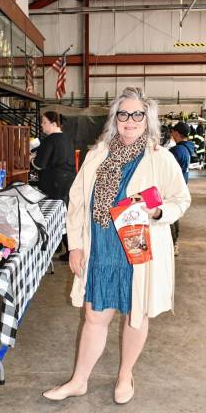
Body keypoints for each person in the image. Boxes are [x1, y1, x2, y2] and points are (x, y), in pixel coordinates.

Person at [42, 87, 191, 404]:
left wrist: (159, 211)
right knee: (95, 317)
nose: (130, 120)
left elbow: (181, 199)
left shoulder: (160, 158)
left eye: (138, 114)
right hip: (101, 250)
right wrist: (77, 246)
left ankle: (125, 376)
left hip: (139, 252)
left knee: (137, 315)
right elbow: (79, 202)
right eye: (123, 114)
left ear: (147, 119)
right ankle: (79, 380)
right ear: (115, 119)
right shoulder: (98, 154)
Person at [31, 111, 76, 260]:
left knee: (57, 216)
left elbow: (39, 165)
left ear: (54, 124)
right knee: (64, 214)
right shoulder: (66, 138)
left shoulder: (50, 140)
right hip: (68, 180)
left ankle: (68, 249)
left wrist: (31, 159)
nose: (42, 125)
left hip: (54, 182)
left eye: (44, 122)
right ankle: (60, 246)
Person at [169, 121, 195, 256]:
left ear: (177, 134)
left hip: (172, 189)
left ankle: (173, 245)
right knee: (175, 216)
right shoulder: (186, 148)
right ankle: (174, 244)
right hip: (181, 186)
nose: (171, 133)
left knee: (171, 218)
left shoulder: (177, 150)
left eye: (172, 131)